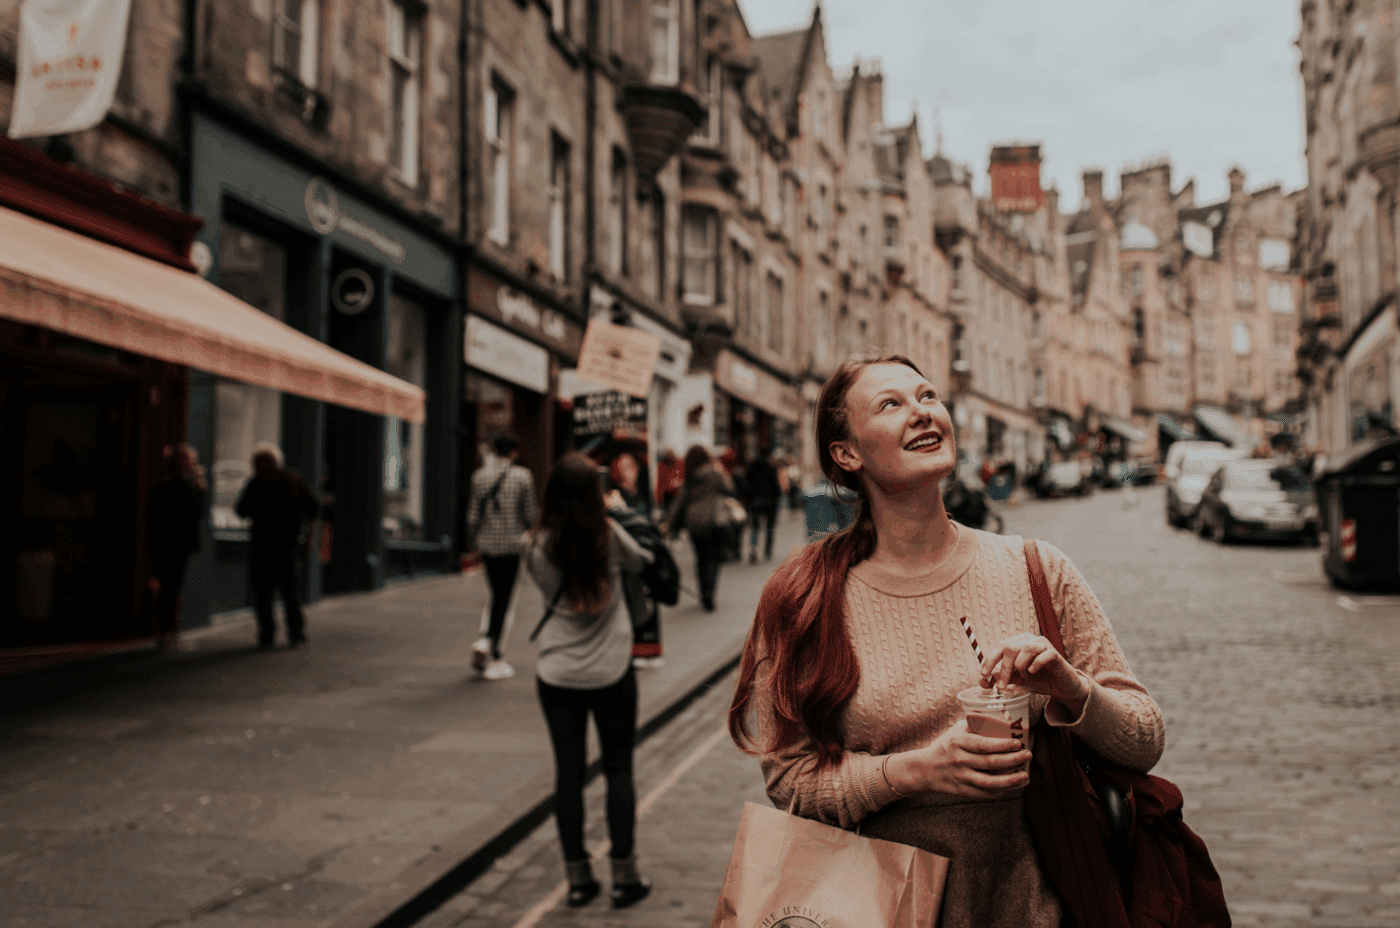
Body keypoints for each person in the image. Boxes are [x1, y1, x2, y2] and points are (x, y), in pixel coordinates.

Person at [728, 355, 1165, 928]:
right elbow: (790, 780)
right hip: (880, 908)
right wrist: (920, 771)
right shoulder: (805, 595)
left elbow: (1143, 741)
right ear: (847, 453)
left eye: (928, 396)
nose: (922, 413)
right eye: (892, 404)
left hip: (1038, 906)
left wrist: (1070, 688)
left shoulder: (1036, 569)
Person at [523, 453, 654, 909]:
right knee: (619, 771)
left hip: (556, 672)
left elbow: (543, 586)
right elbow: (645, 560)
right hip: (612, 671)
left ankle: (578, 879)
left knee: (568, 775)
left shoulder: (535, 545)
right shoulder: (610, 536)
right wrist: (618, 511)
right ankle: (625, 876)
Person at [465, 433, 539, 681]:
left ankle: (485, 639)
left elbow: (473, 516)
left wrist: (474, 543)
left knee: (496, 594)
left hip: (487, 546)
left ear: (493, 451)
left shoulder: (479, 477)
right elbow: (530, 514)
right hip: (512, 547)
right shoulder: (523, 477)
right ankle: (493, 651)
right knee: (504, 599)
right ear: (514, 453)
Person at [235, 443, 318, 650]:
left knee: (264, 594)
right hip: (286, 546)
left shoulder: (255, 482)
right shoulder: (293, 479)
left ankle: (267, 635)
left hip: (263, 546)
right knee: (289, 592)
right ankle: (296, 633)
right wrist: (308, 536)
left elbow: (241, 511)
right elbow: (312, 509)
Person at [145, 443, 206, 649]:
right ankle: (168, 633)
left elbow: (151, 518)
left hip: (160, 543)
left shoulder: (159, 486)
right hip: (179, 545)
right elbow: (196, 512)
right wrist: (201, 488)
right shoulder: (186, 487)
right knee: (172, 588)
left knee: (164, 586)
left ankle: (163, 632)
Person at [662, 446, 734, 612]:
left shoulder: (689, 477)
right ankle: (710, 592)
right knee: (713, 559)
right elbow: (730, 489)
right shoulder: (715, 474)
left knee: (701, 559)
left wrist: (670, 523)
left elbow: (680, 502)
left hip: (693, 523)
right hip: (712, 521)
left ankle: (703, 592)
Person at [609, 454, 664, 668]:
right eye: (625, 466)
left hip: (646, 553)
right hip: (630, 555)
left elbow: (648, 518)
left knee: (648, 604)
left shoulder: (640, 493)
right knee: (634, 603)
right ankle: (634, 650)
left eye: (632, 466)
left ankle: (649, 650)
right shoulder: (616, 495)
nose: (631, 470)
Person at [742, 450, 782, 564]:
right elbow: (775, 486)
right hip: (769, 501)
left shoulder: (751, 467)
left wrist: (749, 499)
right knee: (769, 527)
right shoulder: (771, 467)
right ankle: (768, 550)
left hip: (755, 501)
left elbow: (747, 484)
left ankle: (753, 549)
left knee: (755, 527)